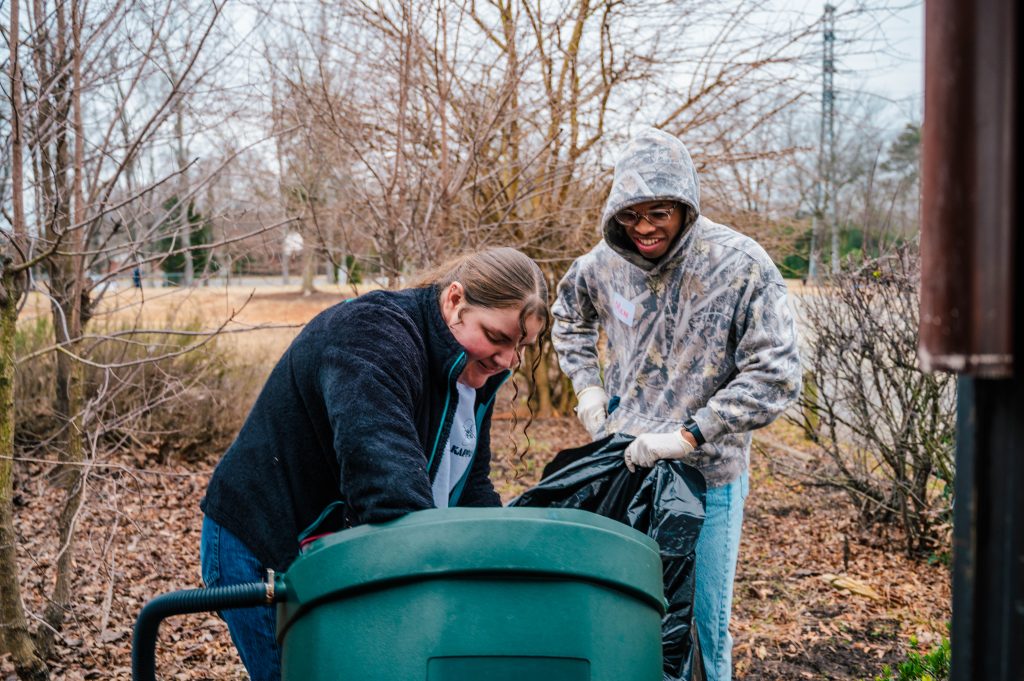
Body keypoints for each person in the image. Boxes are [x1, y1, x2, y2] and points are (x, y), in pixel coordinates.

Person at [200, 247, 549, 681]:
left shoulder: (472, 373)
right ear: (454, 301)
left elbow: (470, 488)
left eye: (521, 346)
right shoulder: (372, 334)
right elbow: (388, 489)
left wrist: (503, 571)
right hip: (266, 543)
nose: (506, 360)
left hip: (345, 549)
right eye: (497, 338)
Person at [551, 126, 800, 681]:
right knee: (626, 609)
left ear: (684, 203)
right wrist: (587, 387)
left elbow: (777, 372)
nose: (643, 227)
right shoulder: (601, 264)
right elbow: (567, 317)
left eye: (658, 211)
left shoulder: (740, 265)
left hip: (708, 474)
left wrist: (694, 432)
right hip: (628, 465)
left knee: (702, 626)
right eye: (630, 214)